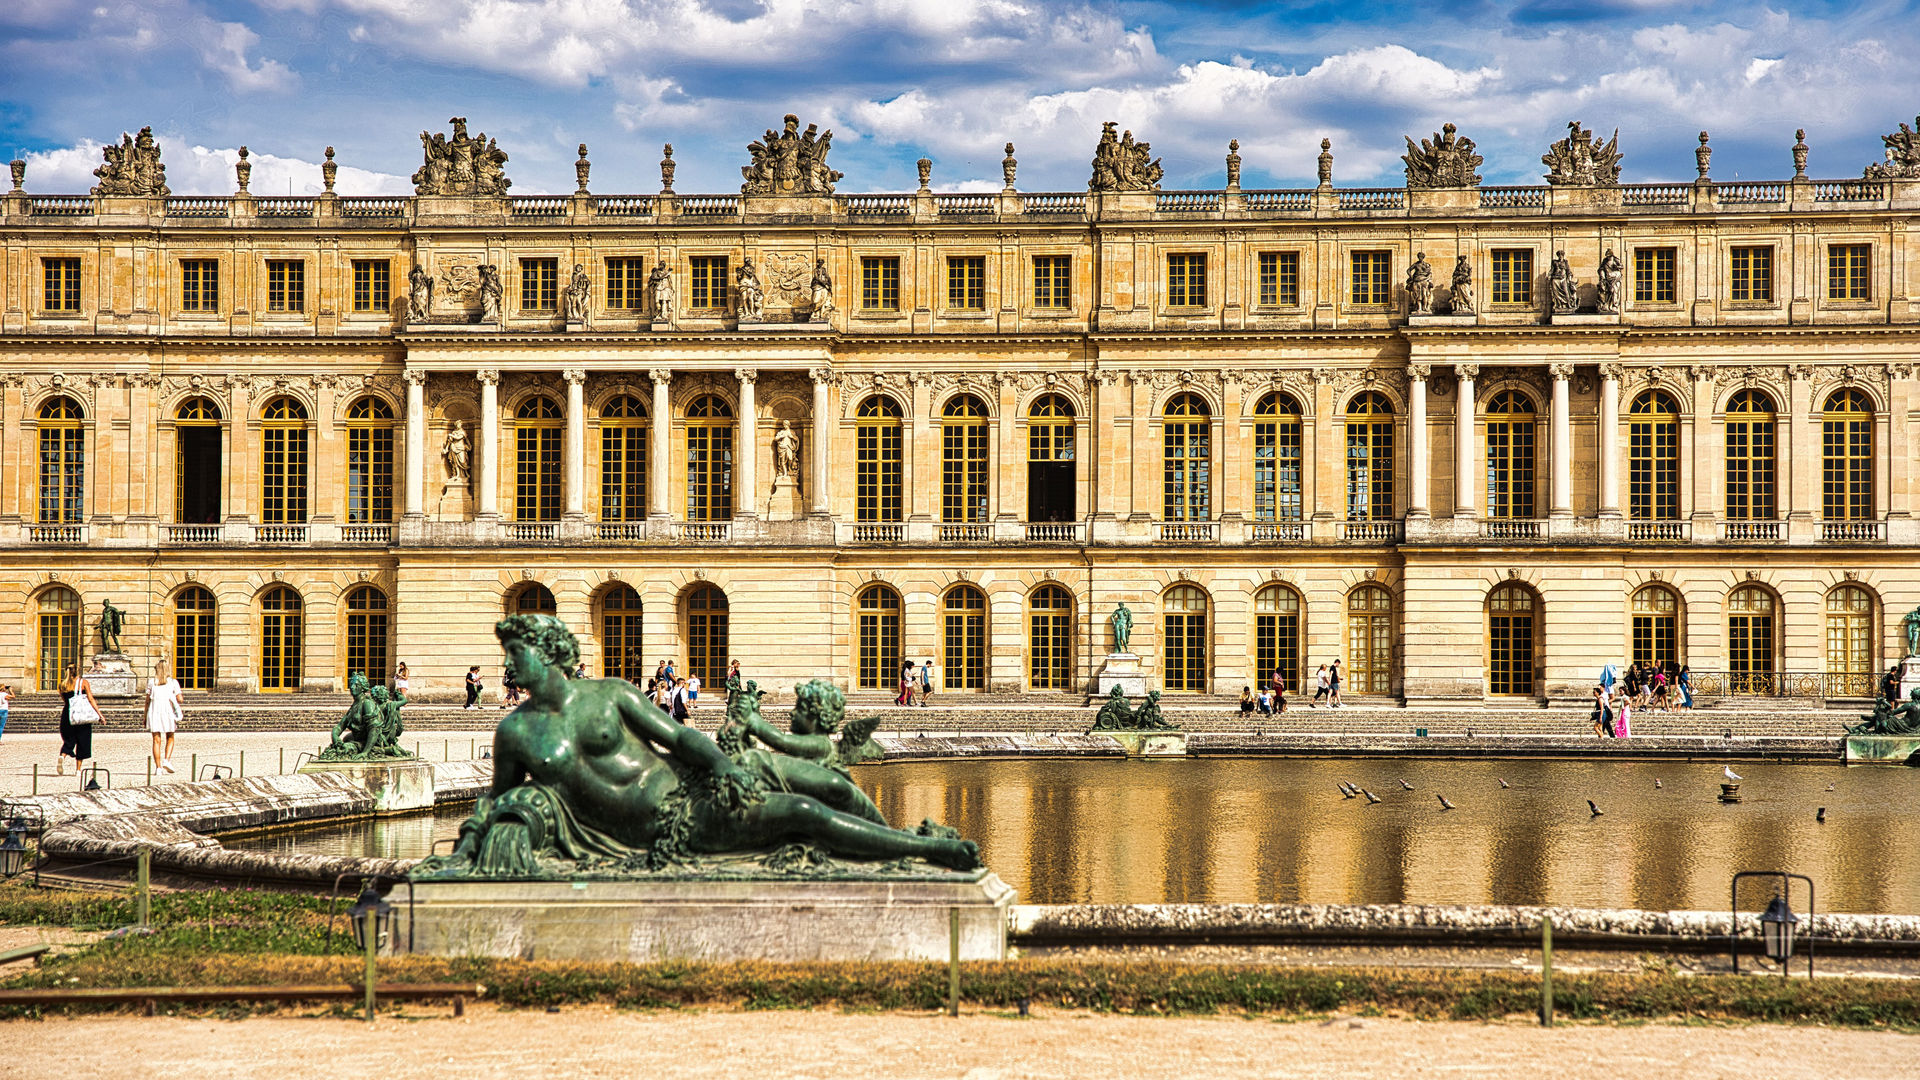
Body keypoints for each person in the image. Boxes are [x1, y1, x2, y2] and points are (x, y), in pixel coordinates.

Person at [424, 614, 978, 876]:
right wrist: (479, 834)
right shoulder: (514, 731)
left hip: (690, 785)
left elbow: (680, 735)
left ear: (545, 654)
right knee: (805, 812)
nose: (506, 665)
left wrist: (723, 765)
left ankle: (892, 837)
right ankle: (922, 852)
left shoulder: (611, 694)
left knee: (828, 784)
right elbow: (497, 797)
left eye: (515, 654)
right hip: (657, 827)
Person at [60, 663, 101, 776]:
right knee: (82, 741)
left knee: (69, 740)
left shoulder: (62, 685)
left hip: (68, 714)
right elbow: (91, 699)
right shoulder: (83, 683)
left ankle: (62, 756)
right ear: (77, 671)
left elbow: (65, 701)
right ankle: (78, 770)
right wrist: (99, 715)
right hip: (81, 716)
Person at [146, 660, 183, 773]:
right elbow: (180, 699)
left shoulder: (152, 682)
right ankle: (166, 760)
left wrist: (144, 716)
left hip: (154, 711)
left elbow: (147, 701)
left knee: (156, 740)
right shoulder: (173, 682)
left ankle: (158, 768)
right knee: (170, 736)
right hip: (167, 711)